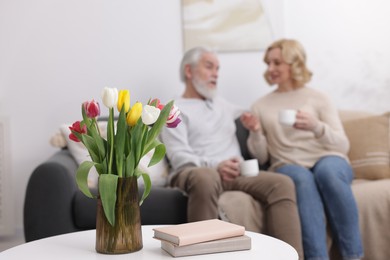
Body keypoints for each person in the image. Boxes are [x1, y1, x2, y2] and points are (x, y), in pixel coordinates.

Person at [160, 46, 304, 258]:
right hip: (198, 172)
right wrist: (215, 165)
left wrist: (254, 127)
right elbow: (179, 156)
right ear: (189, 72)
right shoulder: (173, 109)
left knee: (282, 183)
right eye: (209, 66)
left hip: (236, 172)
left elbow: (253, 113)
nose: (216, 73)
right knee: (206, 177)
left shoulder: (223, 105)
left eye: (218, 68)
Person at [243, 39, 363, 260]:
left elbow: (342, 144)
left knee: (326, 173)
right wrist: (256, 131)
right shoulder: (260, 105)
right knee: (301, 180)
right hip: (288, 164)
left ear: (294, 63)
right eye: (268, 63)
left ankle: (354, 256)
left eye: (277, 62)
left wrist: (316, 127)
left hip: (329, 158)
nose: (270, 69)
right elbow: (262, 156)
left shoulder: (318, 98)